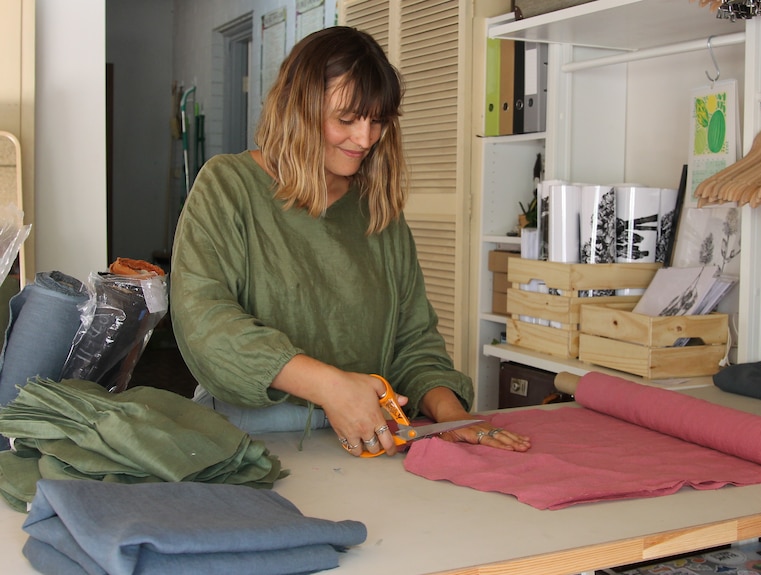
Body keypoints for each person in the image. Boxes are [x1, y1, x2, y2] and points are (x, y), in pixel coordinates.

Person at [170, 26, 530, 457]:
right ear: (298, 108)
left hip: (369, 435)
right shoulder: (227, 186)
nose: (365, 139)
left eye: (377, 120)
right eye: (346, 119)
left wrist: (450, 416)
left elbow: (413, 342)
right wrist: (330, 387)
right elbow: (206, 324)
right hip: (246, 434)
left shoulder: (378, 211)